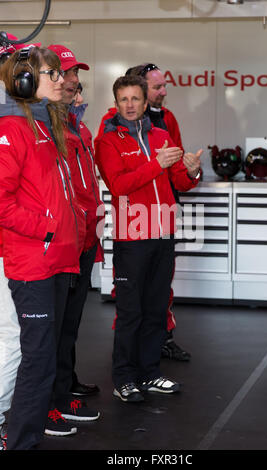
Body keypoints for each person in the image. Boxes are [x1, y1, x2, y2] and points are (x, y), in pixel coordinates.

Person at [94, 75, 202, 402]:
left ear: (145, 102)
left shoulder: (161, 134)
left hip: (164, 233)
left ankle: (150, 372)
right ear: (116, 103)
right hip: (133, 236)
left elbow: (180, 182)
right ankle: (124, 377)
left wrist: (193, 170)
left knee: (156, 309)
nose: (129, 105)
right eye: (123, 99)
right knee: (131, 312)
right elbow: (119, 185)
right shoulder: (108, 141)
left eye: (135, 99)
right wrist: (156, 164)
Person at [0, 46, 86, 449]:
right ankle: (18, 442)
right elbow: (3, 203)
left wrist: (71, 231)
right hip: (33, 261)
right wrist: (48, 230)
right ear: (23, 81)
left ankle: (23, 438)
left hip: (58, 259)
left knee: (44, 361)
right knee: (37, 362)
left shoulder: (46, 128)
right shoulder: (14, 129)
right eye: (51, 74)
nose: (60, 80)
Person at [47, 44, 104, 403]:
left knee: (71, 322)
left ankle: (66, 381)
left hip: (86, 239)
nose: (73, 80)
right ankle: (53, 392)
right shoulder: (48, 129)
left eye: (76, 74)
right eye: (67, 73)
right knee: (53, 326)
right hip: (64, 241)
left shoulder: (79, 130)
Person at [0, 34, 41, 452]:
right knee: (12, 338)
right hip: (9, 247)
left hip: (12, 245)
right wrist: (45, 227)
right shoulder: (10, 124)